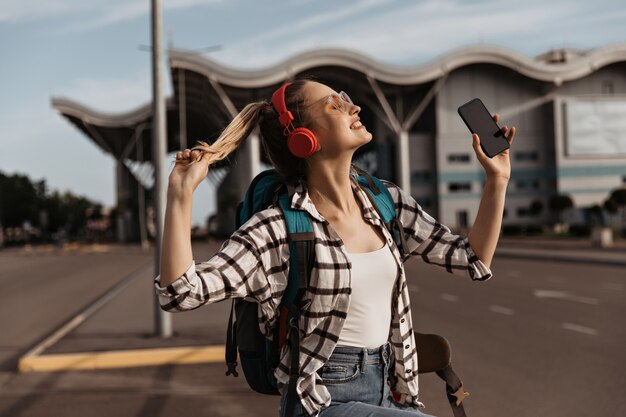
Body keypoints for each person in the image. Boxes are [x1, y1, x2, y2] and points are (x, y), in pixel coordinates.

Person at [155, 79, 515, 417]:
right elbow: (179, 292)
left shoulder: (385, 202)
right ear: (303, 138)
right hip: (321, 401)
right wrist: (180, 195)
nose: (353, 106)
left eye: (346, 98)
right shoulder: (279, 228)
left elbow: (472, 260)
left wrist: (497, 180)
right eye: (335, 105)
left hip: (391, 391)